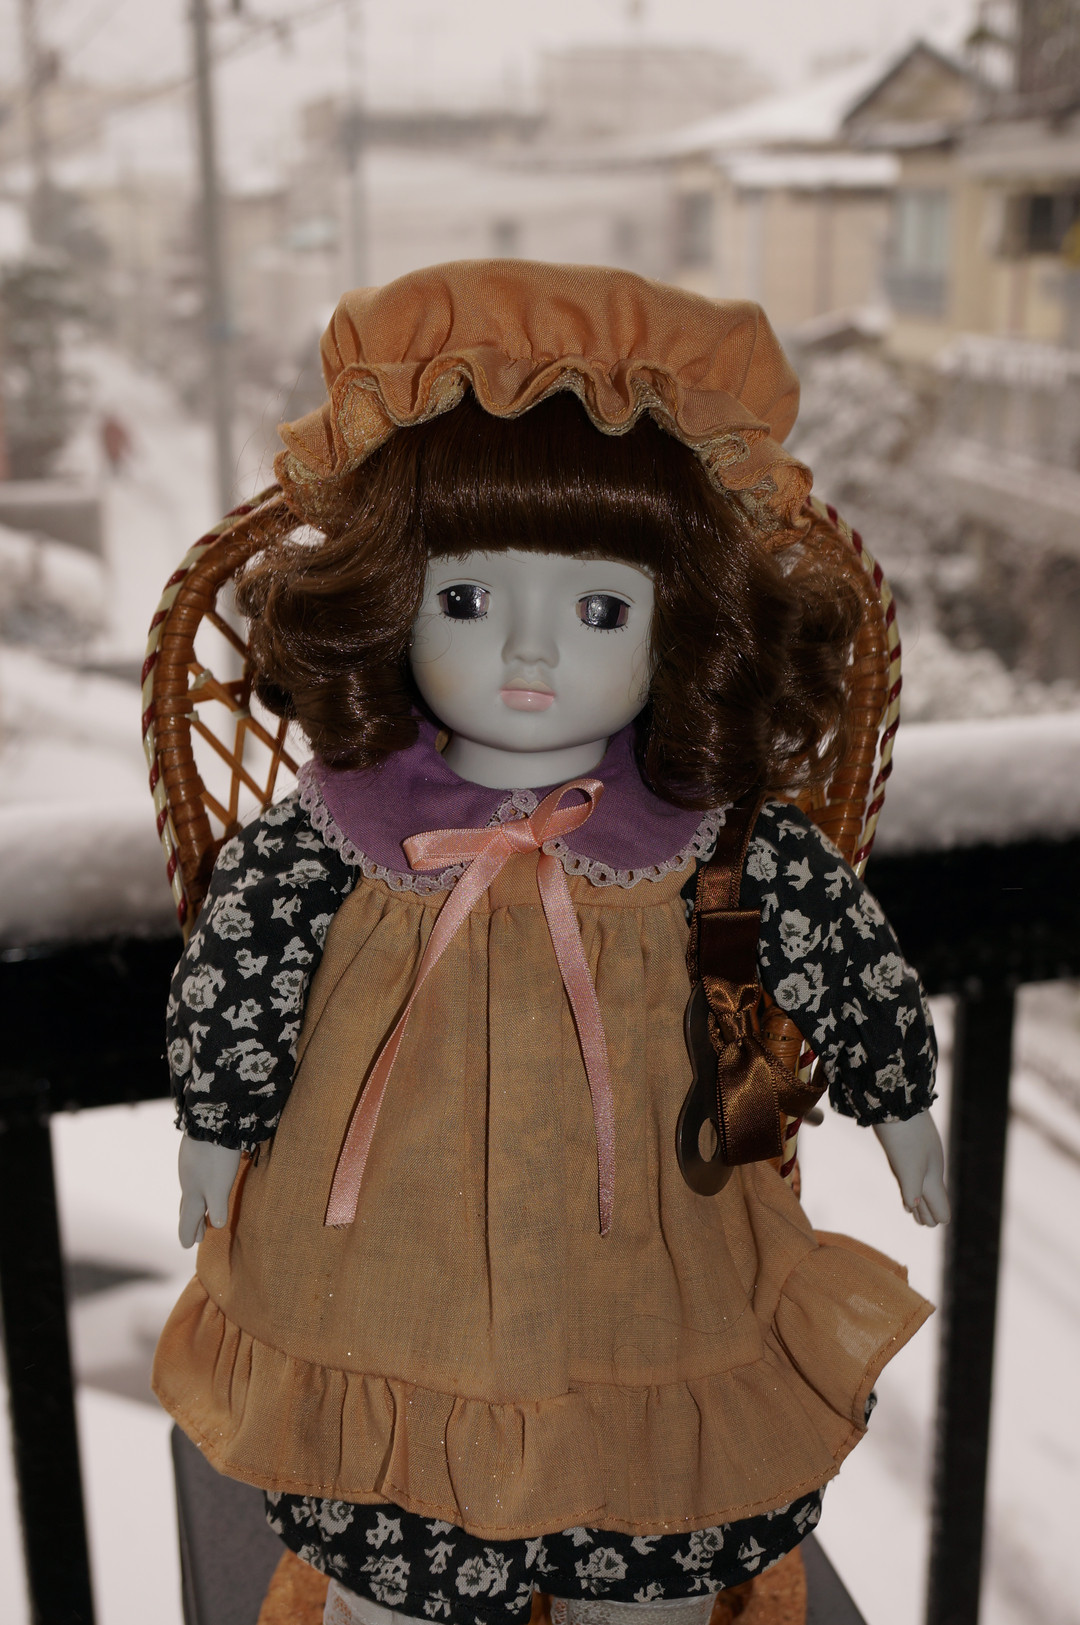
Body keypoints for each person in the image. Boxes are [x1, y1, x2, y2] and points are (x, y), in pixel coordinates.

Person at [153, 261, 948, 1625]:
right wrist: (219, 1120)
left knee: (650, 1508)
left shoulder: (710, 841)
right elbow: (244, 960)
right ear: (391, 600)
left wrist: (898, 1097)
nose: (529, 658)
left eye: (598, 610)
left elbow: (835, 939)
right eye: (466, 602)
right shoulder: (341, 828)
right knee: (395, 1545)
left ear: (679, 625)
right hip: (379, 1263)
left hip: (648, 1243)